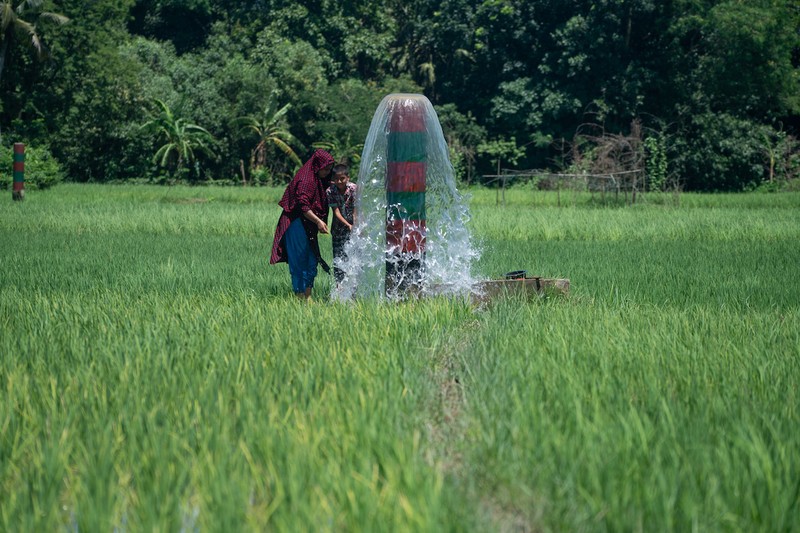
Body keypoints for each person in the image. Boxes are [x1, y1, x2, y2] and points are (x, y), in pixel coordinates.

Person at [270, 149, 335, 299]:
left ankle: (308, 296)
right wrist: (319, 221)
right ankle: (300, 297)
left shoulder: (318, 178)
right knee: (299, 260)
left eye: (329, 169)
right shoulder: (306, 180)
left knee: (311, 260)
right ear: (317, 166)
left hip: (308, 223)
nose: (327, 172)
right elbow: (303, 206)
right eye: (325, 169)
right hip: (297, 223)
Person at [326, 164, 357, 285]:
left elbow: (356, 209)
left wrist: (354, 225)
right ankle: (340, 288)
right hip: (338, 230)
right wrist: (348, 224)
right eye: (337, 179)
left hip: (353, 228)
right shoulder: (330, 191)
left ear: (348, 178)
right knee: (339, 260)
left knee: (353, 260)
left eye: (342, 178)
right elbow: (336, 212)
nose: (339, 181)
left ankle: (354, 289)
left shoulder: (354, 189)